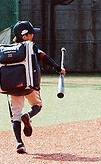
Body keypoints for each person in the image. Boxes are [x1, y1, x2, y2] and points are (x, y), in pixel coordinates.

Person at [8, 20, 65, 154]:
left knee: (15, 114)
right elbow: (44, 57)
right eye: (31, 33)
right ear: (24, 36)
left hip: (13, 87)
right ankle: (28, 115)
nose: (33, 35)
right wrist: (58, 68)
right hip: (29, 85)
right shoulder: (30, 46)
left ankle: (19, 143)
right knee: (37, 106)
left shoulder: (9, 49)